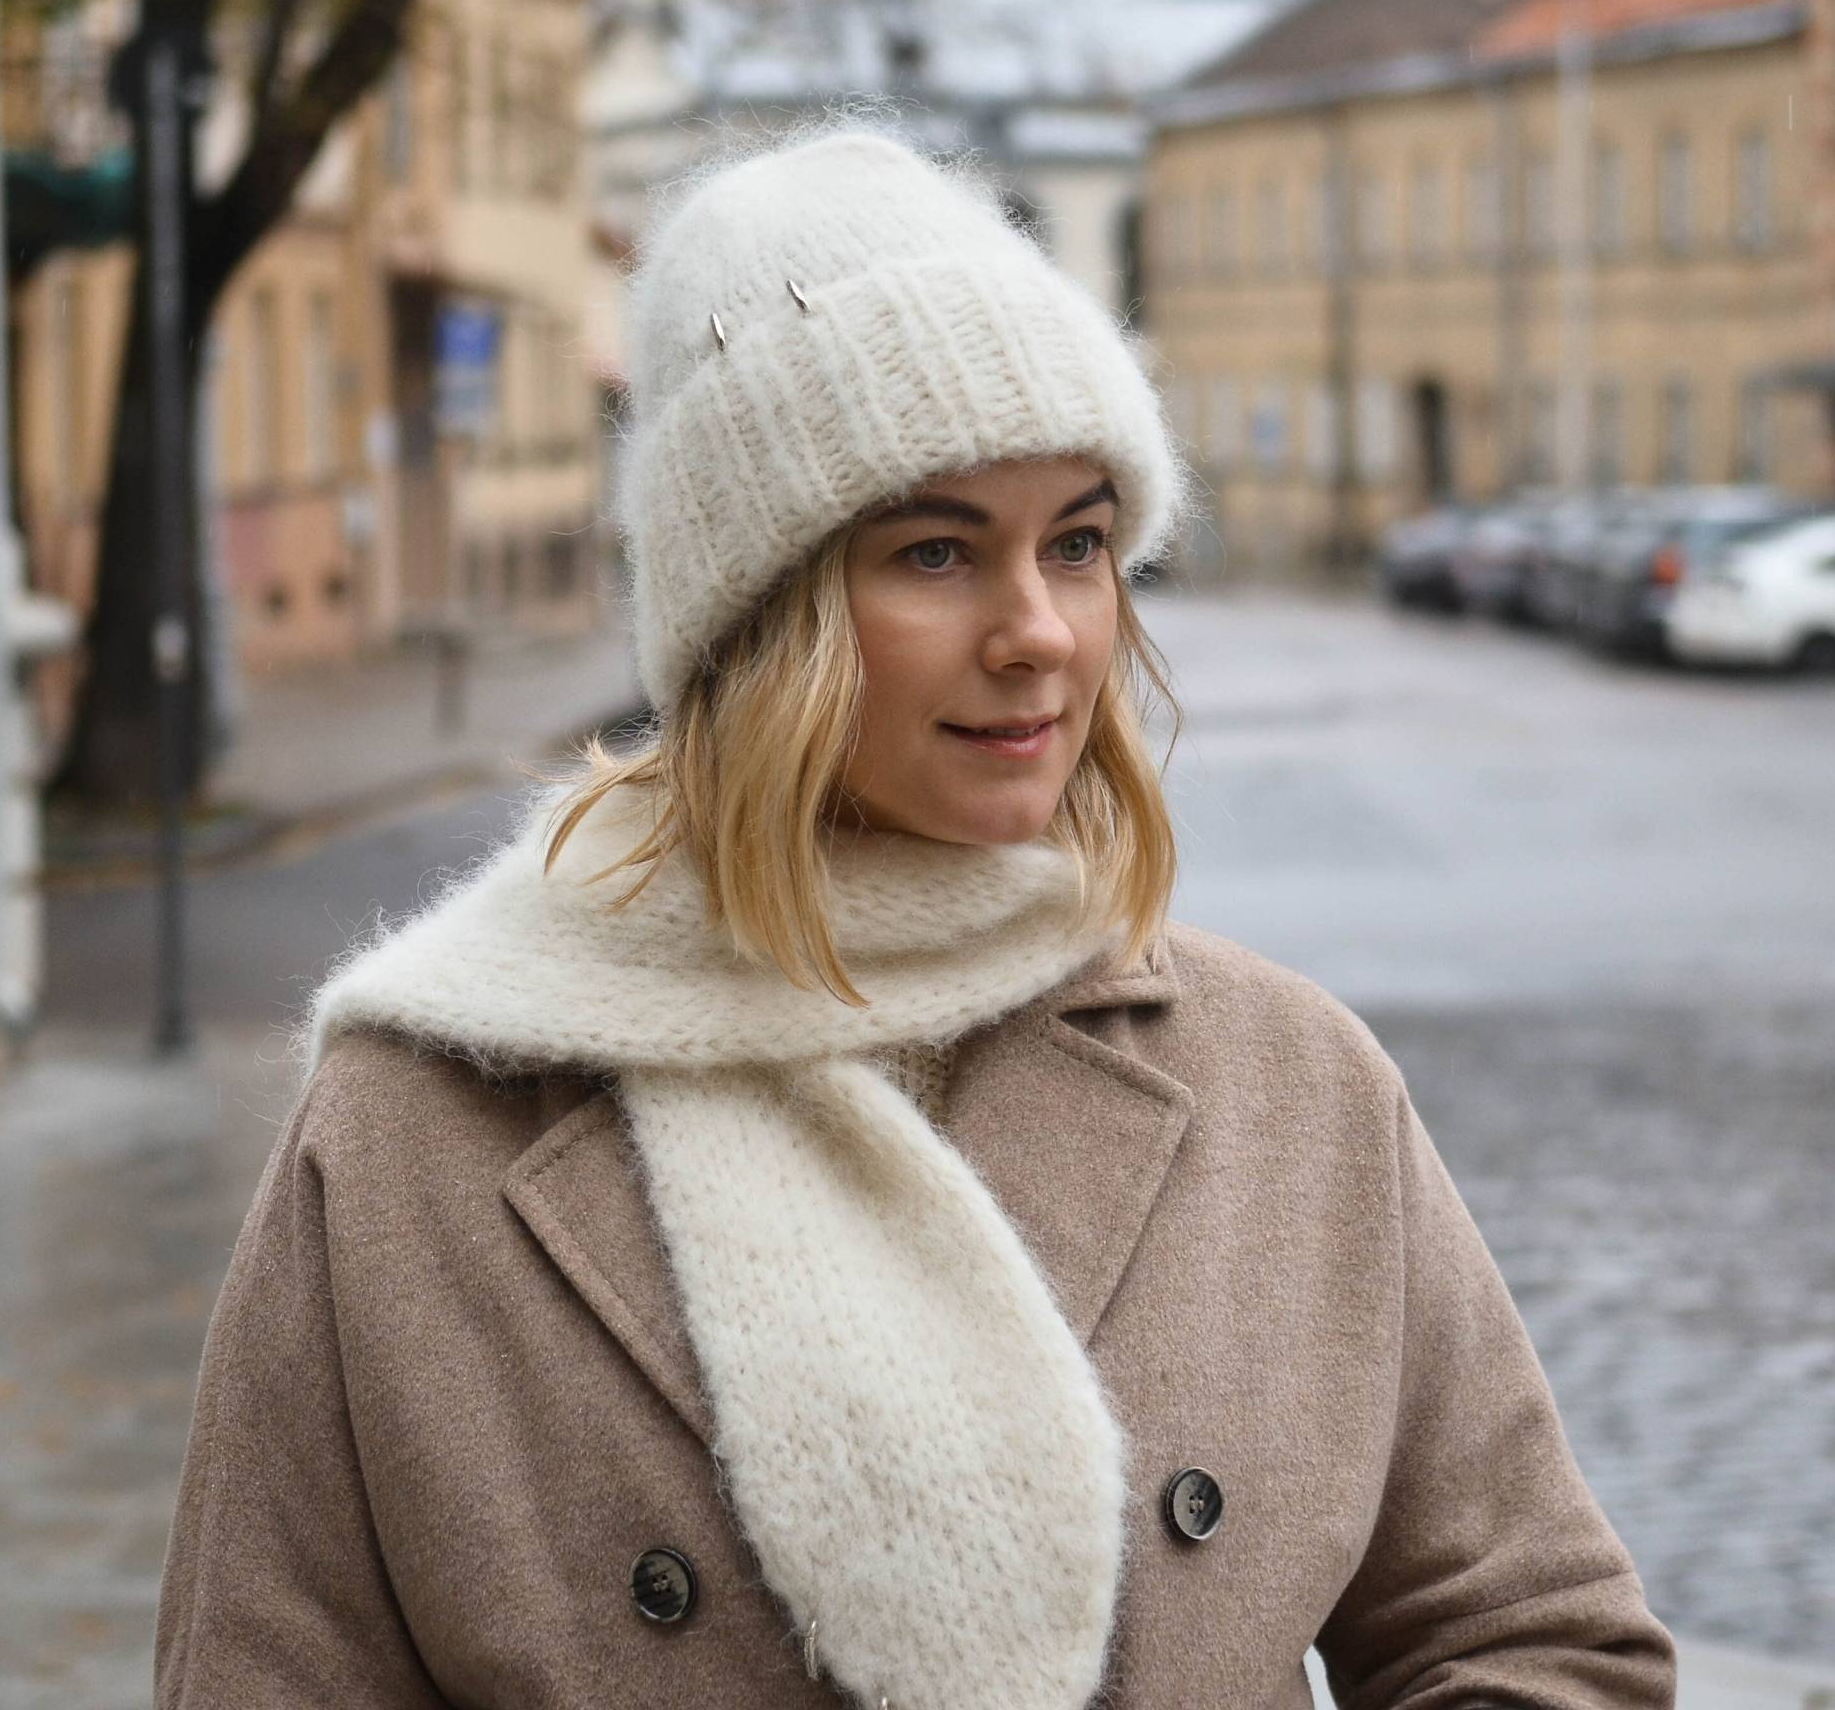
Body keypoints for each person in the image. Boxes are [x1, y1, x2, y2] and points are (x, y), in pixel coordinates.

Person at [152, 114, 1676, 1710]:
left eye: (1078, 545)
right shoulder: (413, 1137)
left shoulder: (1290, 1090)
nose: (1041, 635)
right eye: (939, 552)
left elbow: (1533, 1641)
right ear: (763, 617)